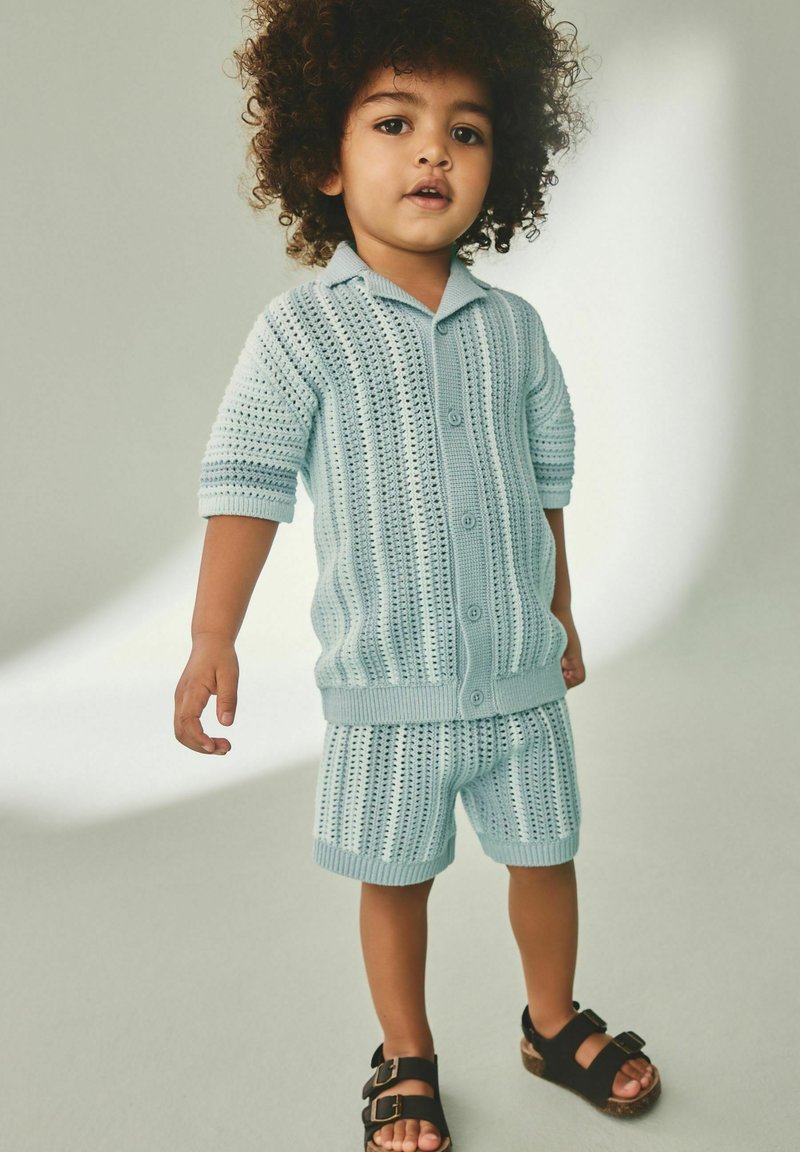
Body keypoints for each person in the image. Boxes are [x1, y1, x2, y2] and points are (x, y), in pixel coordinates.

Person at [173, 1, 662, 1148]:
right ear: (323, 158)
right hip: (387, 687)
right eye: (393, 123)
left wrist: (559, 609)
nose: (433, 151)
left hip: (518, 682)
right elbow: (247, 480)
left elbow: (542, 485)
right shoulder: (303, 333)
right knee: (393, 877)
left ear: (504, 162)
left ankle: (551, 1021)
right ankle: (406, 1053)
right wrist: (209, 634)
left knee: (545, 855)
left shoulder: (514, 331)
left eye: (466, 130)